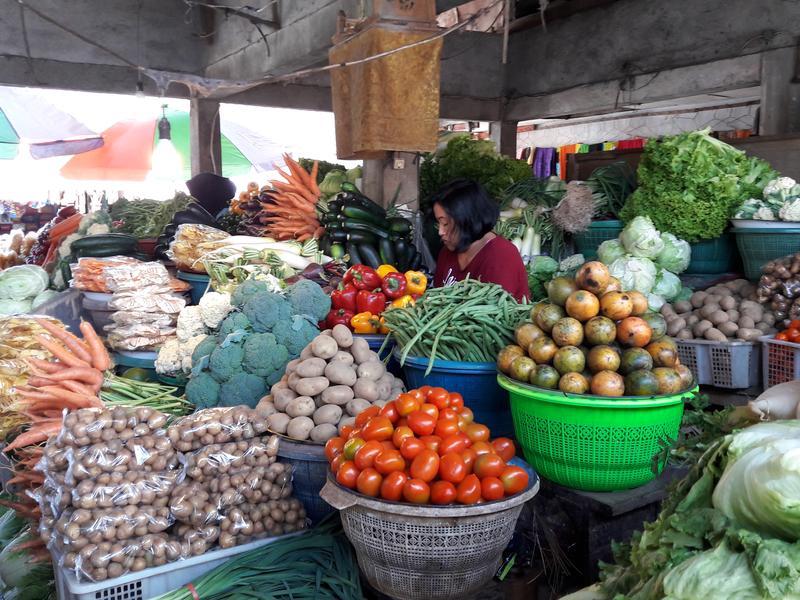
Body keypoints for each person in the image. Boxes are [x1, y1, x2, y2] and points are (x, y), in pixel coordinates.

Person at [432, 179, 530, 301]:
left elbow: (494, 314)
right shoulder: (447, 252)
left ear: (468, 220)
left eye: (445, 223)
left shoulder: (502, 256)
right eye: (439, 223)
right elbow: (435, 300)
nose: (440, 232)